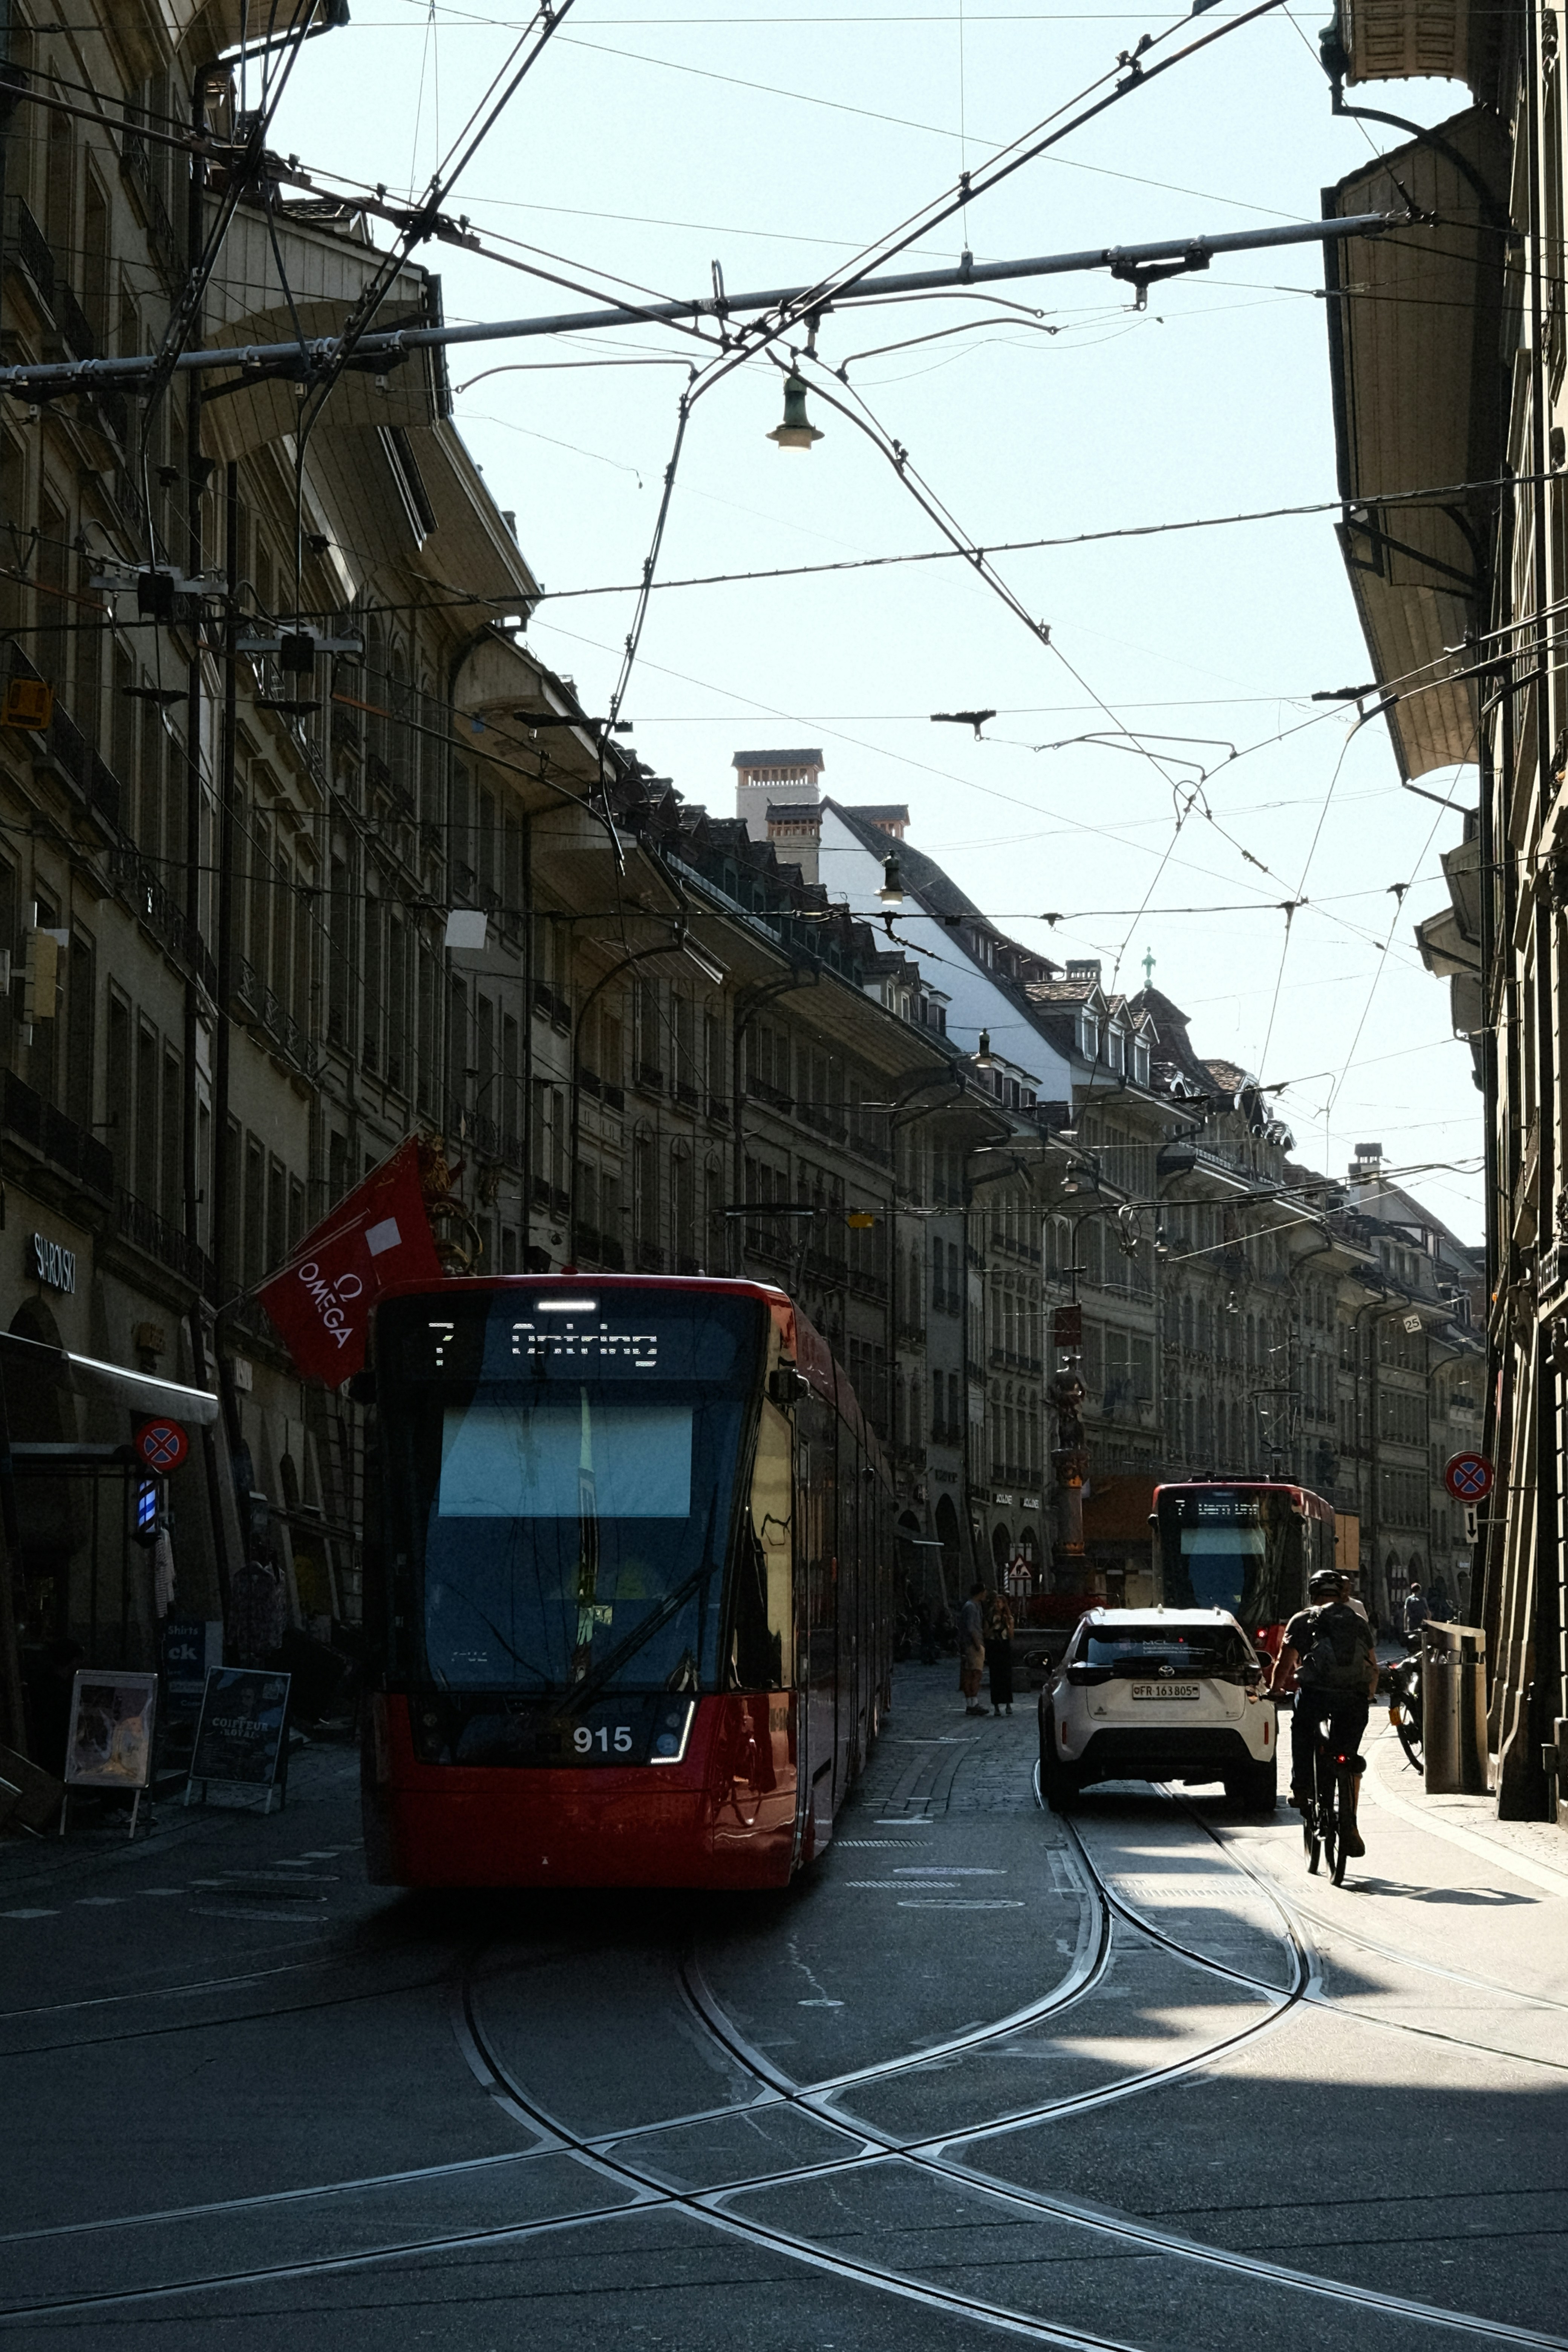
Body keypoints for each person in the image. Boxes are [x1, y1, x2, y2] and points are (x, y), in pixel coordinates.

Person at [1271, 1566, 1379, 1856]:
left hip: (1316, 1697)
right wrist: (1368, 1695)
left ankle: (1302, 1788)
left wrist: (1276, 1690)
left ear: (1313, 1594)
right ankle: (1350, 1825)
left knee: (1301, 1727)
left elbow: (1284, 1662)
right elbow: (1372, 1666)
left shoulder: (1302, 1620)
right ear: (1341, 1595)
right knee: (1349, 1759)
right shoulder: (1357, 1621)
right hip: (1352, 1701)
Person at [984, 1585, 1016, 1716]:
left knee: (1006, 1676)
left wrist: (1007, 1625)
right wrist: (994, 1626)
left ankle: (1008, 1704)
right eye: (996, 1602)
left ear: (1004, 1605)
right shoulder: (989, 1617)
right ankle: (996, 1705)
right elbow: (986, 1634)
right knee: (995, 1676)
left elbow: (1011, 1636)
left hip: (1004, 1647)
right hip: (994, 1647)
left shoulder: (1009, 1618)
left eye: (999, 1602)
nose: (997, 1605)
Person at [959, 1582, 987, 1717]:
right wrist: (977, 1645)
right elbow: (971, 1628)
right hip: (973, 1645)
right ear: (980, 1593)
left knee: (970, 1674)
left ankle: (970, 1703)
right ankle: (974, 1703)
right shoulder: (971, 1607)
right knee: (976, 1674)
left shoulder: (972, 1606)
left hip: (969, 1644)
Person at [1401, 1577, 1430, 1648]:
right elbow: (1428, 1612)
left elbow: (1406, 1613)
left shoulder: (1408, 1600)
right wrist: (1430, 1622)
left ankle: (1413, 1649)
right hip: (1422, 1622)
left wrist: (1405, 1627)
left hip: (1412, 1622)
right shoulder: (1423, 1599)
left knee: (1412, 1637)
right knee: (1422, 1637)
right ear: (1419, 1591)